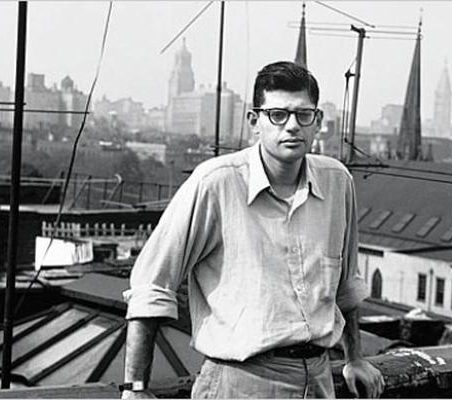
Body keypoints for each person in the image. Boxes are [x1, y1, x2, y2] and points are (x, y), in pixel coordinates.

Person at [122, 61, 384, 399]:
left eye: (303, 115)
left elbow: (345, 287)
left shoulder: (337, 182)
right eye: (278, 115)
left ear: (318, 121)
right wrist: (135, 388)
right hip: (240, 382)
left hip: (318, 378)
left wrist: (355, 358)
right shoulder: (216, 183)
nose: (292, 126)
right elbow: (152, 285)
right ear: (253, 121)